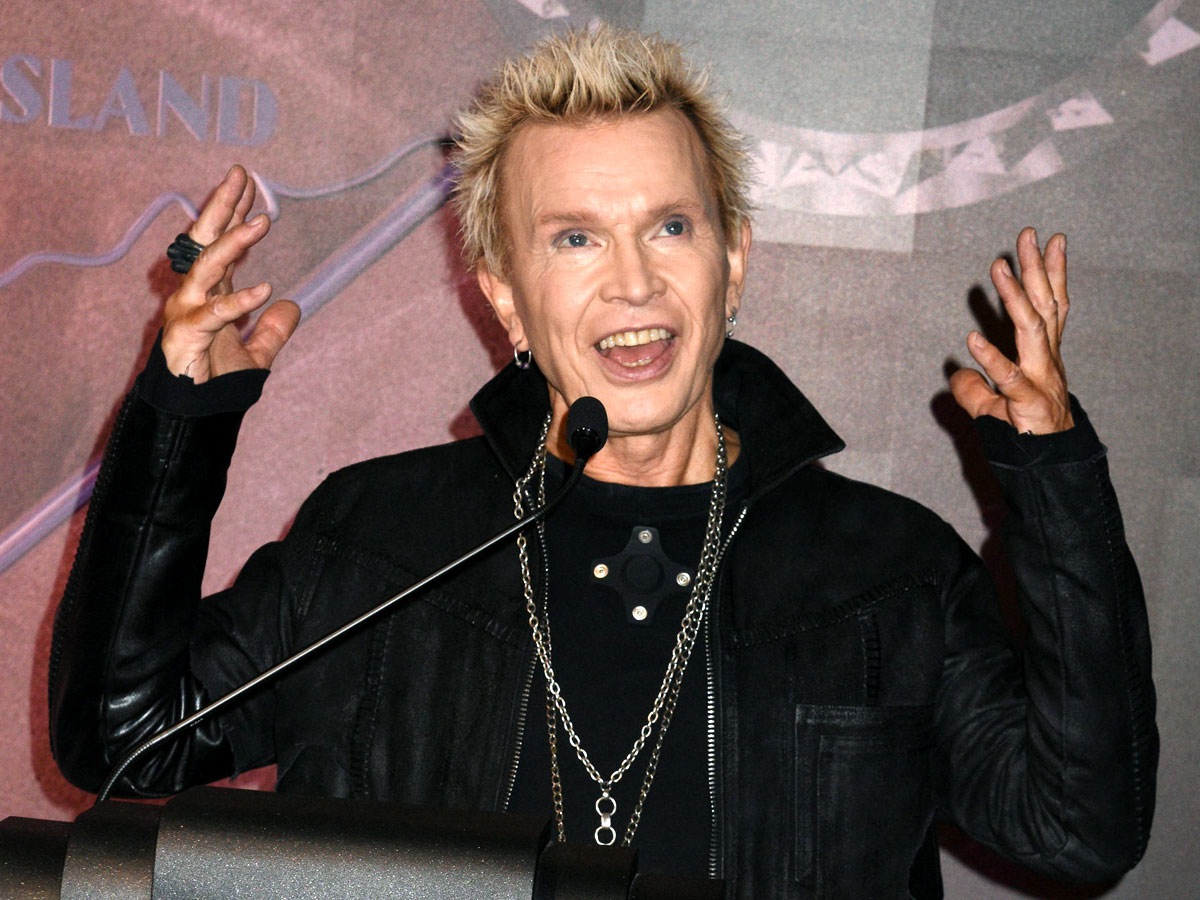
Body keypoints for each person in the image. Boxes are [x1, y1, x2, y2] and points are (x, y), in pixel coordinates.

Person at [49, 27, 1156, 898]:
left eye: (669, 227)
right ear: (504, 295)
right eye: (574, 237)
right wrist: (180, 419)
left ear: (733, 261)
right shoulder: (375, 539)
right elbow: (122, 741)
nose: (632, 282)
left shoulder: (888, 570)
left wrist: (1056, 482)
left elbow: (1078, 829)